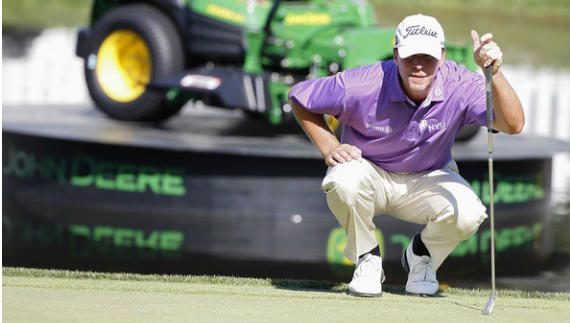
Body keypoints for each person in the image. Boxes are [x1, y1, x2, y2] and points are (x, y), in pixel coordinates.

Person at [288, 13, 524, 297]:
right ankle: (367, 258)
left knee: (470, 214)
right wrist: (329, 145)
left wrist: (493, 73)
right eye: (411, 56)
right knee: (343, 181)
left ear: (442, 55)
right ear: (396, 55)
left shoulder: (460, 84)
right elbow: (299, 95)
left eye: (428, 56)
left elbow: (513, 124)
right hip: (369, 171)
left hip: (429, 176)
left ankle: (421, 256)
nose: (420, 66)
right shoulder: (362, 84)